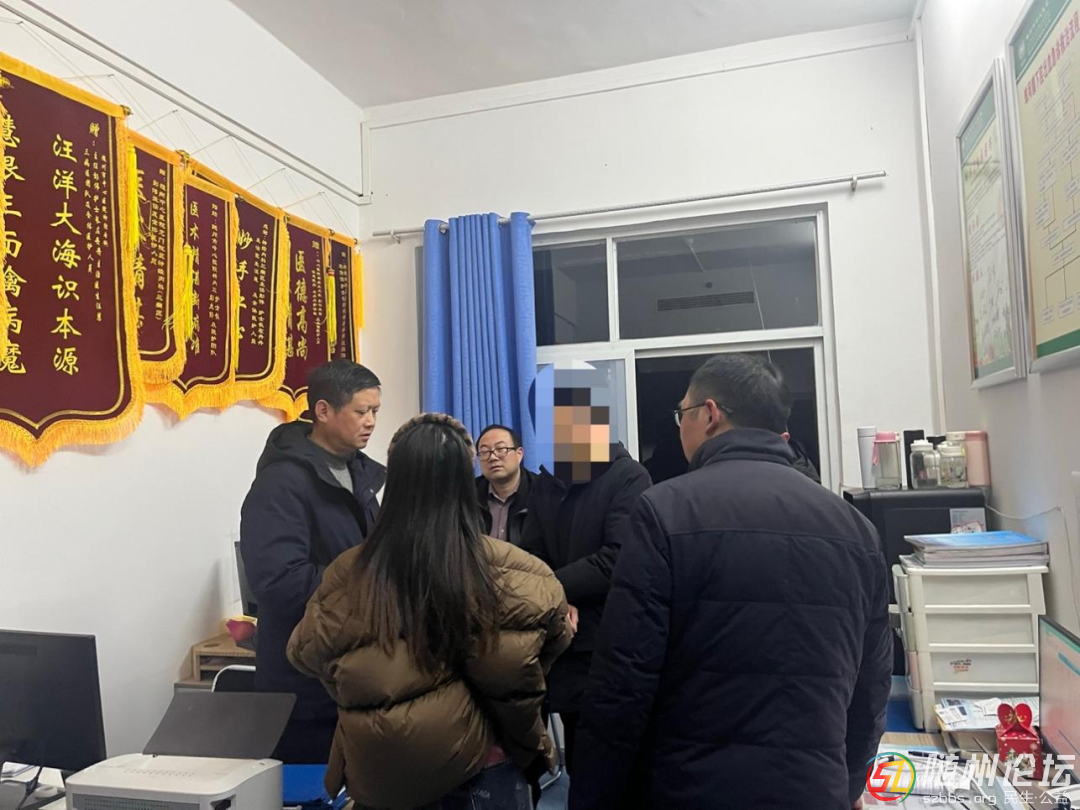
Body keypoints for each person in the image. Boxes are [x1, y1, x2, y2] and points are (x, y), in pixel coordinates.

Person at [570, 353, 891, 810]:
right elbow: (872, 689)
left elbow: (623, 683)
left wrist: (594, 798)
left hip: (689, 789)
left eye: (682, 413)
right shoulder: (857, 530)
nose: (680, 426)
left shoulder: (664, 512)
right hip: (812, 790)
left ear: (709, 414)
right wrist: (848, 786)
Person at [288, 414, 573, 809]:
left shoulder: (350, 572)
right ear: (464, 482)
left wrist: (369, 694)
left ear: (395, 483)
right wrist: (529, 745)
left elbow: (305, 651)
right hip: (483, 770)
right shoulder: (510, 570)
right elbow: (547, 644)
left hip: (381, 772)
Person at [239, 360, 385, 764]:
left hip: (353, 674)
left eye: (375, 411)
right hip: (304, 685)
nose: (371, 422)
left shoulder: (360, 473)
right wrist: (371, 586)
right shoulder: (281, 483)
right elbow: (279, 581)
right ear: (323, 410)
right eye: (361, 411)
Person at [519, 362, 652, 770]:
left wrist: (556, 590)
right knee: (575, 764)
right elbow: (531, 555)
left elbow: (618, 558)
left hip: (610, 649)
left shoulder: (628, 476)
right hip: (559, 643)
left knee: (612, 768)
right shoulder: (547, 481)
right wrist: (556, 598)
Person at [475, 424, 536, 545]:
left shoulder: (542, 492)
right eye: (485, 452)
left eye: (501, 449)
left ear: (519, 454)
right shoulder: (468, 493)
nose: (493, 457)